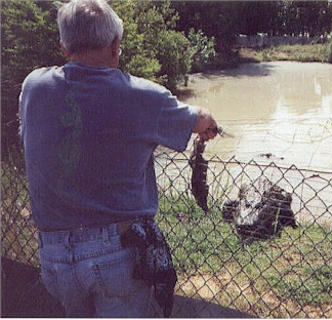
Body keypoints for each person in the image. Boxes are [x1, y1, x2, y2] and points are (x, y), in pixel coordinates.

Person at [19, 0, 218, 317]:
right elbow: (199, 122)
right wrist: (207, 119)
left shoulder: (33, 87)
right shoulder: (143, 96)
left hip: (53, 253)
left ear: (63, 47)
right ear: (115, 45)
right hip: (114, 255)